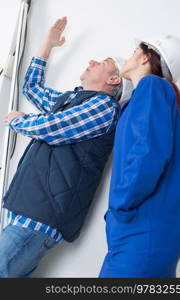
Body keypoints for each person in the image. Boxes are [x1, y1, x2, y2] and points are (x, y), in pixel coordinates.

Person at [0, 17, 133, 277]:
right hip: (30, 210)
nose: (92, 61)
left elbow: (53, 128)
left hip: (41, 215)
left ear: (114, 80)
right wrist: (47, 46)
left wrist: (19, 121)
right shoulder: (73, 100)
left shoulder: (104, 107)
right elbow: (32, 88)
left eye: (102, 63)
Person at [99, 35, 180, 278]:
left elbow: (148, 153)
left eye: (134, 50)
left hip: (141, 233)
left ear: (146, 56)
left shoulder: (152, 87)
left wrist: (120, 206)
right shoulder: (154, 96)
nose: (128, 56)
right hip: (149, 233)